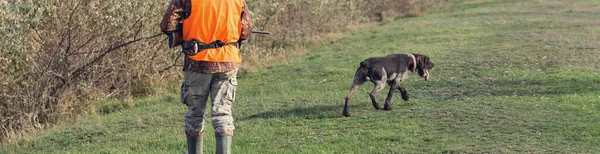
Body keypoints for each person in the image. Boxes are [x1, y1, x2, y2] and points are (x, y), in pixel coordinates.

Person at [160, 0, 252, 153]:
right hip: (228, 60)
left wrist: (186, 29)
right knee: (223, 113)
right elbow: (246, 30)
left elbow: (167, 25)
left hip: (198, 61)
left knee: (195, 114)